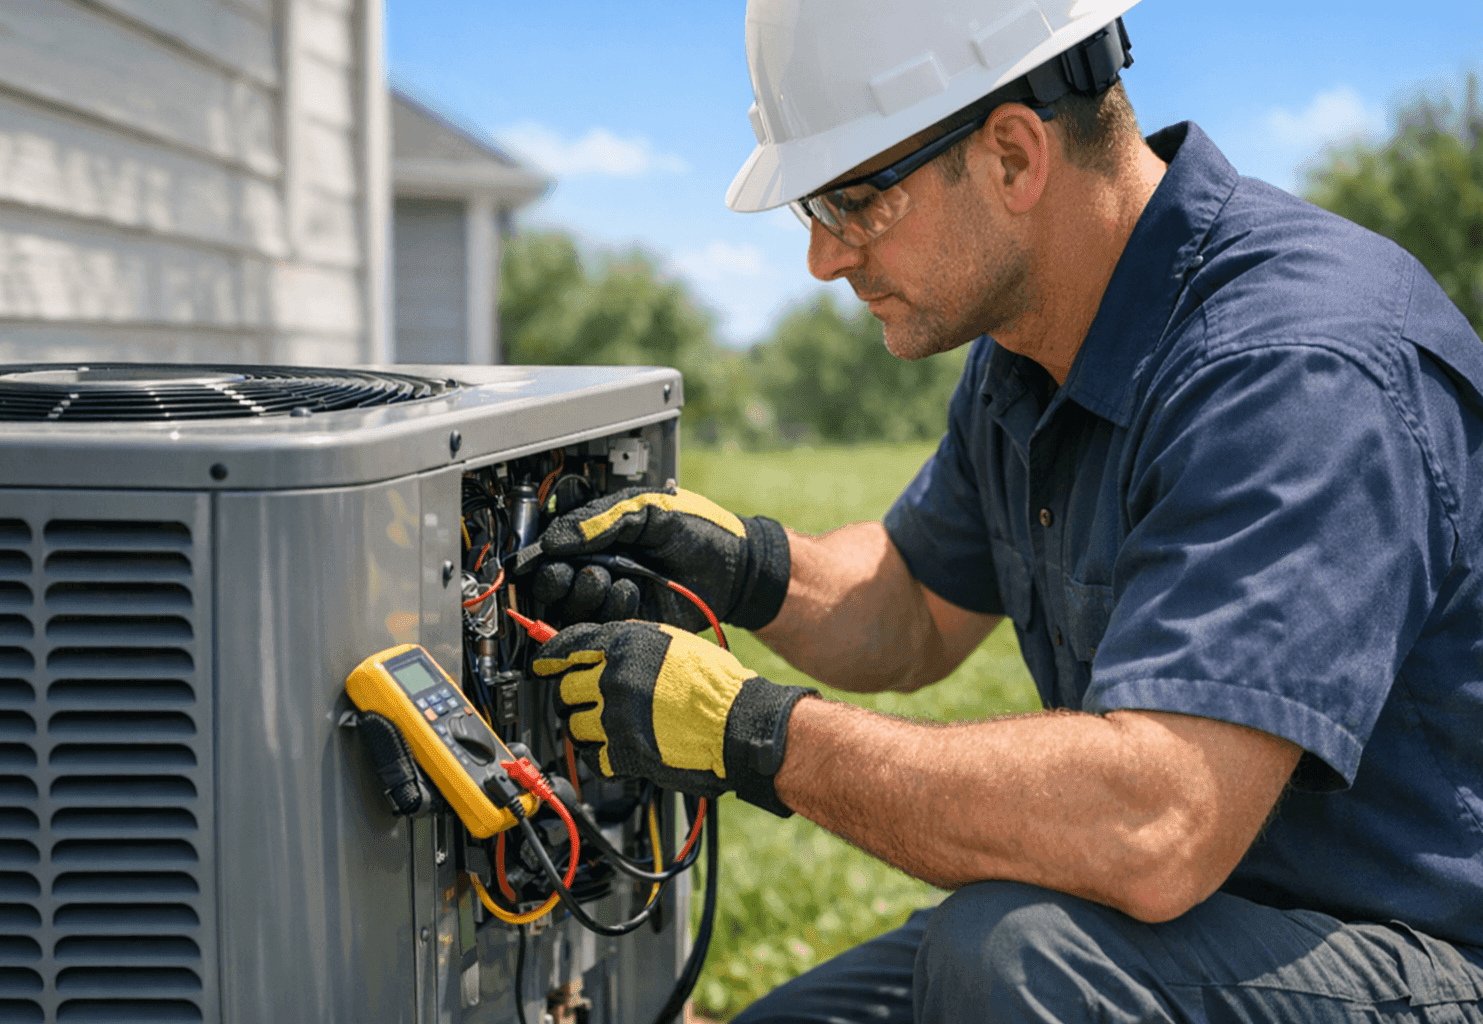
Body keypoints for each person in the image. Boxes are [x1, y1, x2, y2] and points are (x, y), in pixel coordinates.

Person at [527, 2, 1483, 1021]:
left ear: (1015, 159)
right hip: (1171, 933)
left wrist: (755, 733)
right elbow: (909, 609)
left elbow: (1156, 824)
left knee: (1015, 960)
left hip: (1416, 955)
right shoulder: (1029, 350)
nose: (824, 259)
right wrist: (743, 567)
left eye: (851, 201)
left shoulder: (1295, 369)